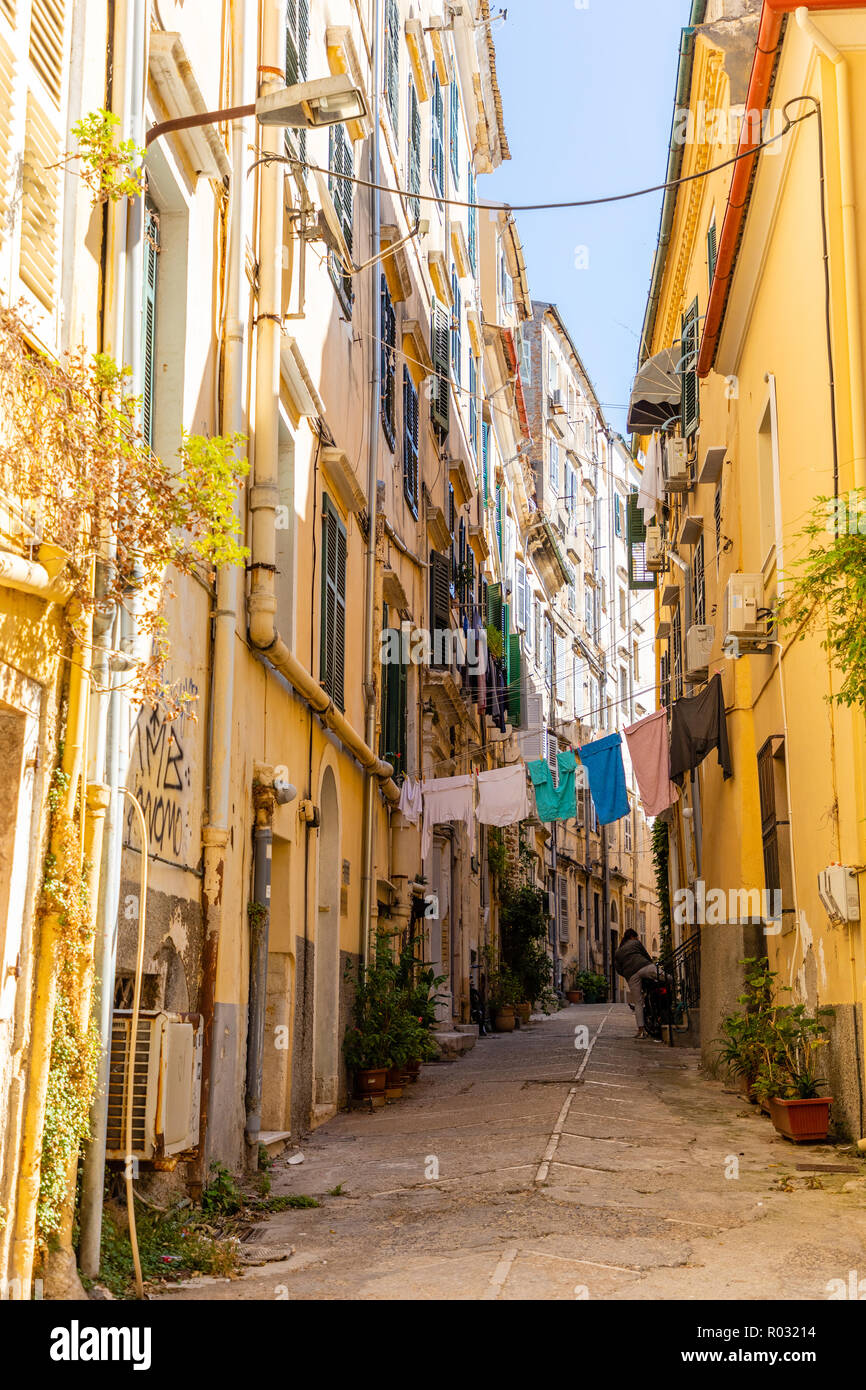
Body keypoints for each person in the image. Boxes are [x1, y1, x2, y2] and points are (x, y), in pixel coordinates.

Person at [614, 928, 666, 1041]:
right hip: (644, 967)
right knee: (667, 977)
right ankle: (676, 987)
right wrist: (651, 964)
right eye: (636, 937)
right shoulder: (636, 943)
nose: (637, 938)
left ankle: (641, 1030)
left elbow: (618, 969)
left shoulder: (618, 951)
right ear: (632, 937)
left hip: (631, 975)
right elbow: (646, 955)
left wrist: (627, 974)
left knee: (638, 1003)